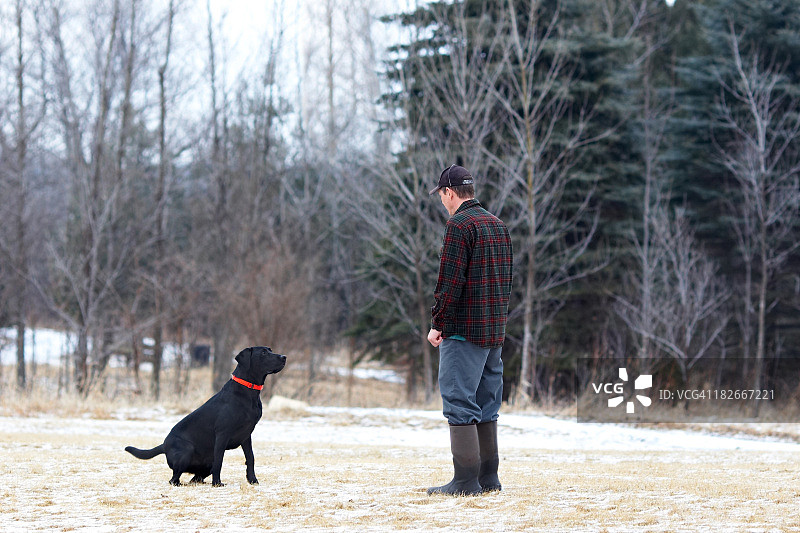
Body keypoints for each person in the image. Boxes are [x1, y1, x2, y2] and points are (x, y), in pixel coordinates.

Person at [426, 164, 513, 496]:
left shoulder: (459, 225)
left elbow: (449, 283)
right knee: (487, 403)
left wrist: (438, 324)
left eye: (442, 195)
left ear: (449, 192)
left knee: (459, 401)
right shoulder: (498, 225)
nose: (442, 202)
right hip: (493, 332)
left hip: (463, 332)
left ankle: (464, 481)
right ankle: (488, 478)